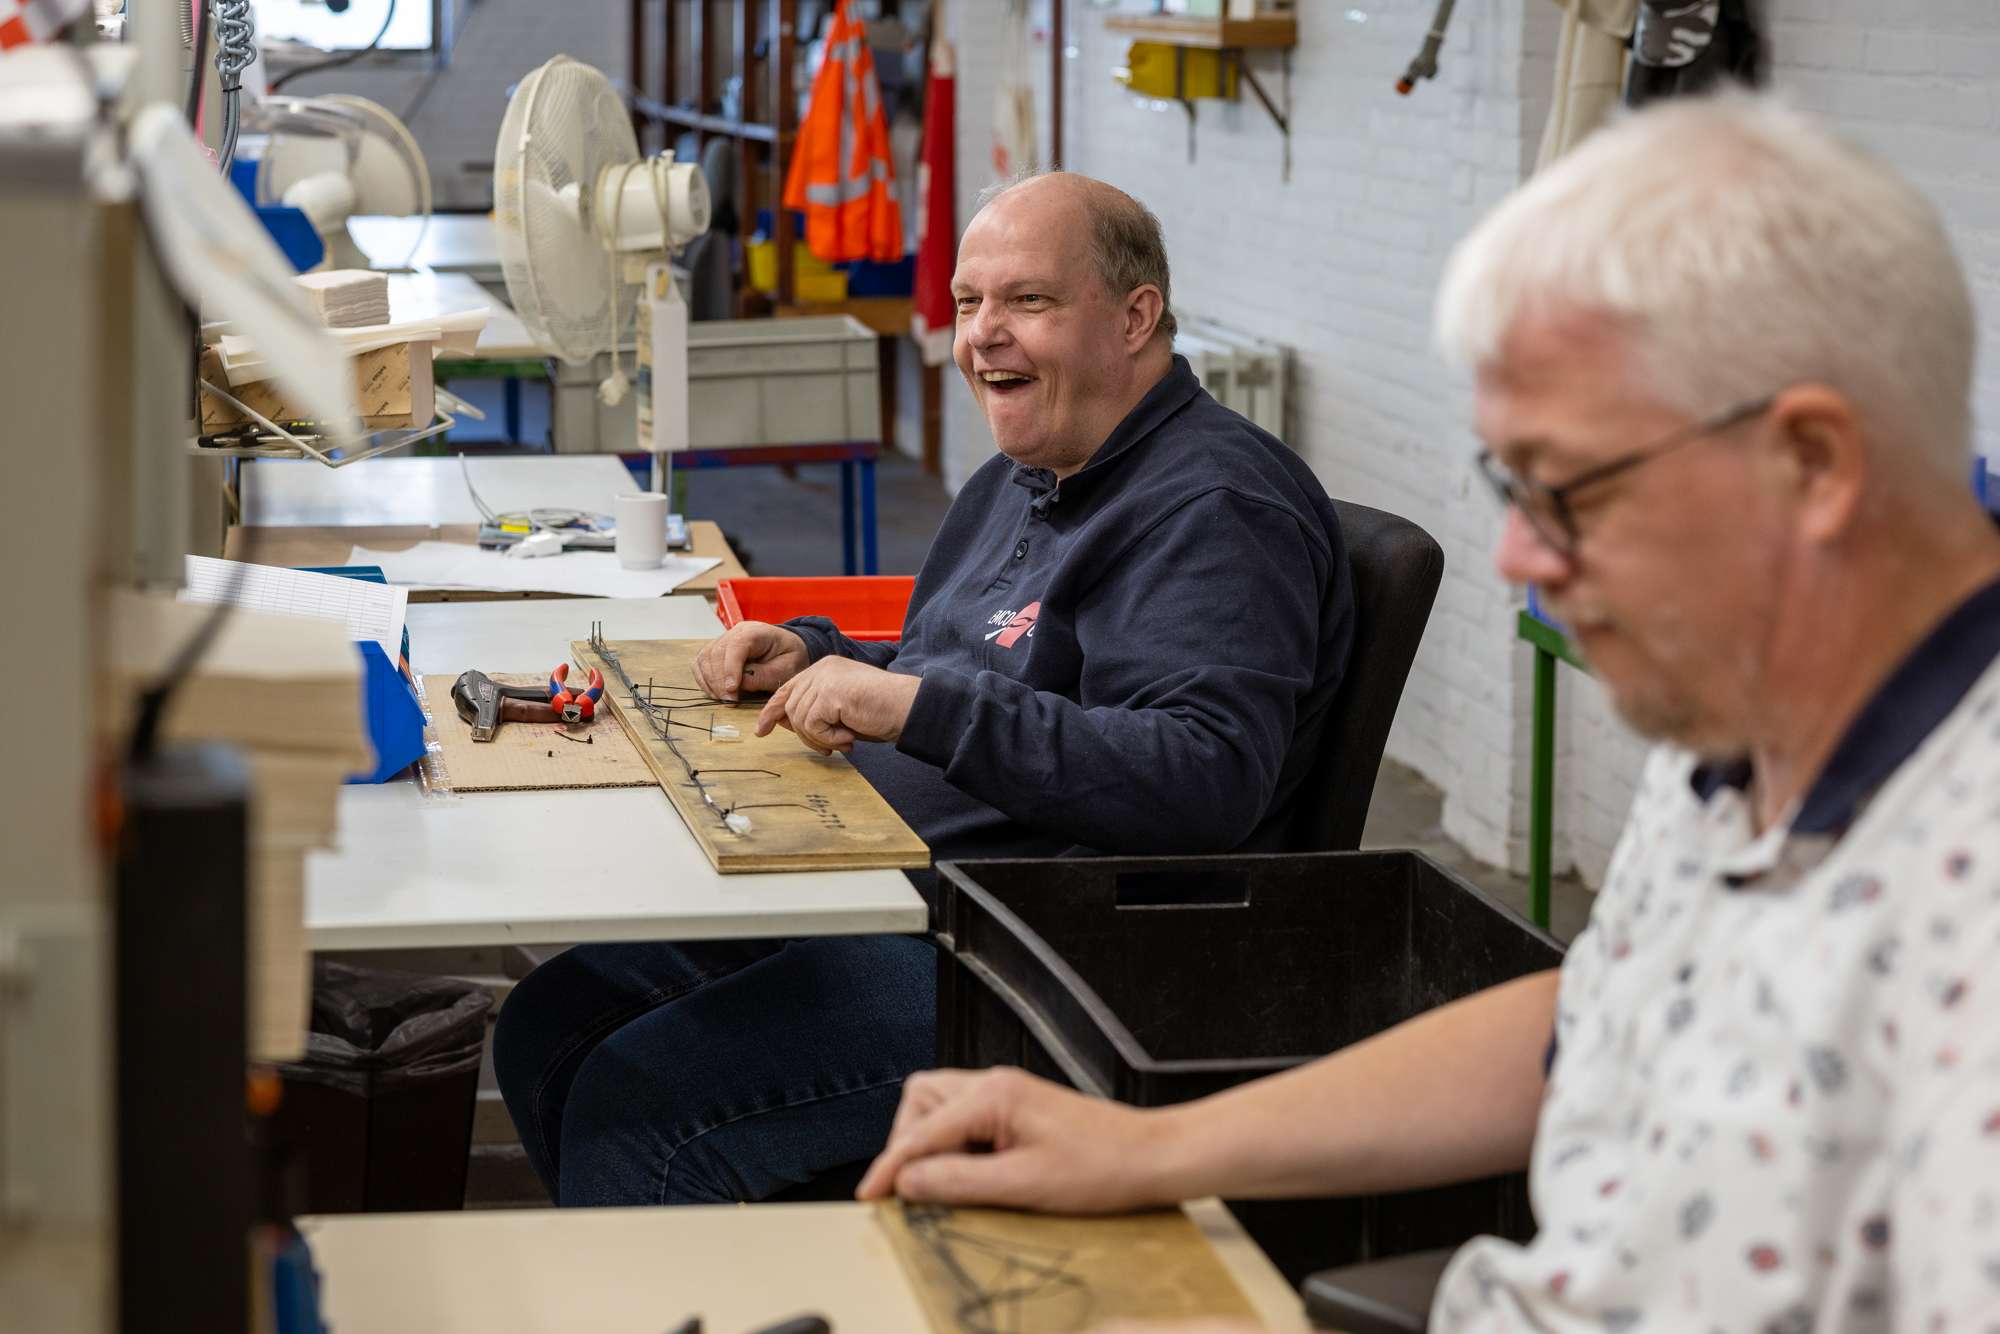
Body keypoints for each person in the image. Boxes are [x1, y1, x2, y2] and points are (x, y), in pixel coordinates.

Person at [858, 95, 2000, 1331]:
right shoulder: (1752, 730)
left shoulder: (1962, 894)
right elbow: (1592, 1016)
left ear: (1814, 466)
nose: (1519, 555)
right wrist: (1147, 1149)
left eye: (1568, 488)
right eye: (1508, 482)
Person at [493, 172, 1356, 1207]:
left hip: (1044, 949)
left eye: (1026, 301)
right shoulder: (1030, 468)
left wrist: (916, 708)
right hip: (892, 881)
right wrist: (815, 652)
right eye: (967, 303)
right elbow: (963, 649)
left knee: (638, 1111)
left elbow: (1201, 775)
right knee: (548, 1022)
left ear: (1135, 317)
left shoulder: (1212, 509)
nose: (982, 336)